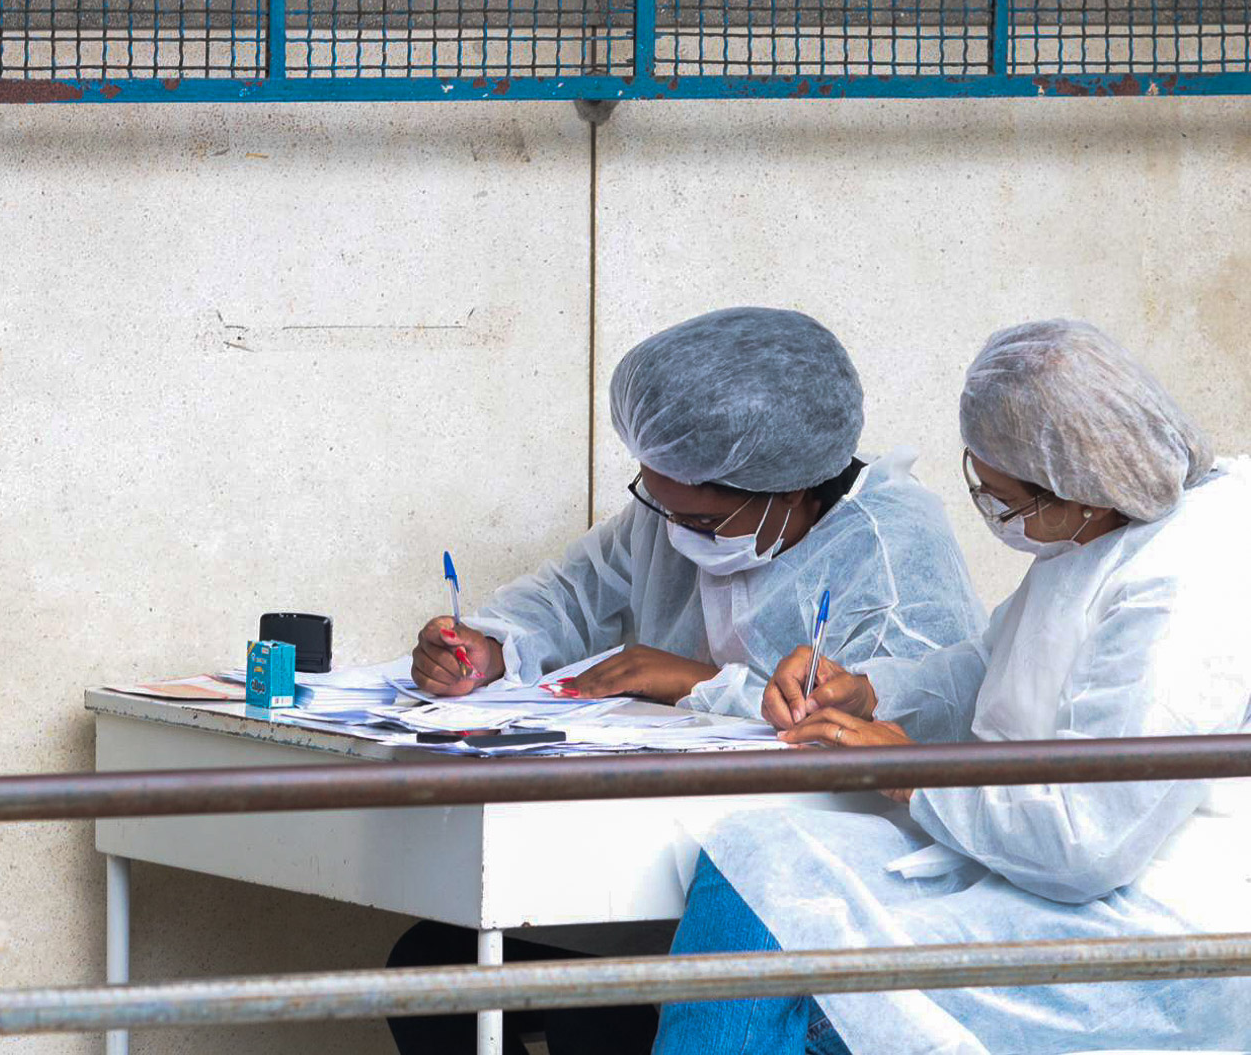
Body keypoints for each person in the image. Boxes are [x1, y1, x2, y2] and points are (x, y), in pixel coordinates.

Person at [388, 307, 988, 1055]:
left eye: (699, 519)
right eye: (657, 502)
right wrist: (488, 647)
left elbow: (907, 726)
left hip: (799, 891)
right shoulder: (677, 513)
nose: (675, 532)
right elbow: (571, 593)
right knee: (428, 973)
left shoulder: (890, 547)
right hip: (643, 857)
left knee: (598, 1014)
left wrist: (697, 682)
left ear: (792, 488)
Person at [654, 318, 1251, 1054]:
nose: (999, 519)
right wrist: (868, 694)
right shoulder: (1102, 529)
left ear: (1075, 484)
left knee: (811, 1006)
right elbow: (989, 664)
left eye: (1006, 502)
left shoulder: (1188, 579)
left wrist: (910, 774)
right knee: (757, 853)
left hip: (1141, 938)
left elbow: (1087, 844)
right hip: (1018, 873)